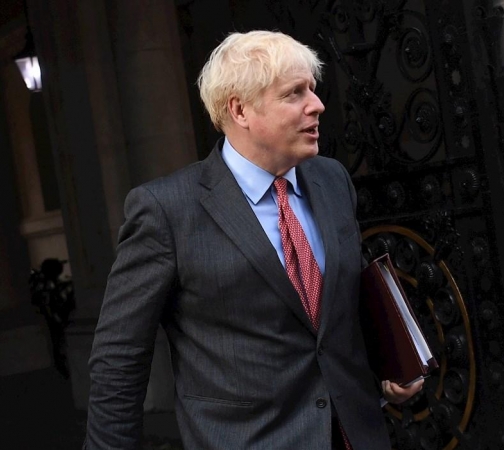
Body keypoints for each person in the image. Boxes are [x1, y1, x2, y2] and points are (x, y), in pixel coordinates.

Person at [84, 31, 422, 449]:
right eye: (294, 93)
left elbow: (339, 304)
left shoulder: (332, 179)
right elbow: (120, 357)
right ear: (240, 110)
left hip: (357, 434)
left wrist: (391, 360)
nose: (316, 105)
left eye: (312, 90)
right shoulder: (166, 210)